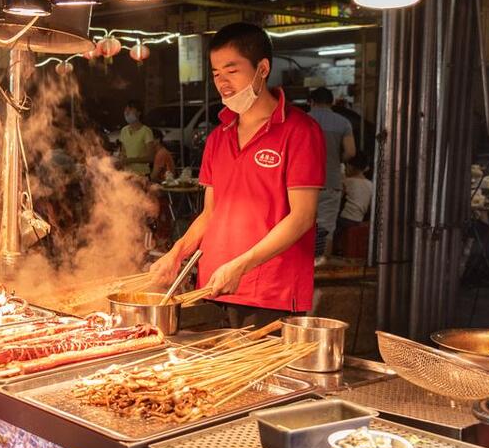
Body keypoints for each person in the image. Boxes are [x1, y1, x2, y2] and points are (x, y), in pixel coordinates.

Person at [150, 23, 325, 325]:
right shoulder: (219, 136)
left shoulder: (300, 132)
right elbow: (210, 213)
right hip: (214, 285)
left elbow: (302, 217)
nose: (222, 83)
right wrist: (176, 253)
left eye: (232, 70)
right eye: (216, 73)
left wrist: (242, 265)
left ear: (263, 68)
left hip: (271, 291)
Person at [307, 87, 356, 258]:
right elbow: (351, 152)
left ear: (311, 102)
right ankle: (321, 268)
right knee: (326, 227)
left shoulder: (302, 121)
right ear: (332, 102)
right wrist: (336, 160)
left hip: (302, 184)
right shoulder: (343, 123)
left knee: (299, 227)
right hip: (330, 181)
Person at [118, 100, 154, 177]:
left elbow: (150, 157)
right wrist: (121, 159)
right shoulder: (124, 130)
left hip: (142, 175)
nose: (127, 113)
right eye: (125, 110)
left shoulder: (146, 131)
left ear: (139, 113)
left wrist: (131, 160)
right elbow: (123, 152)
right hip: (127, 174)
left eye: (130, 110)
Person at [339, 154, 372, 228]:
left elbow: (338, 198)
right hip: (359, 221)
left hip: (344, 218)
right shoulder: (370, 184)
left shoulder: (347, 181)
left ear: (350, 167)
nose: (345, 169)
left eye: (346, 167)